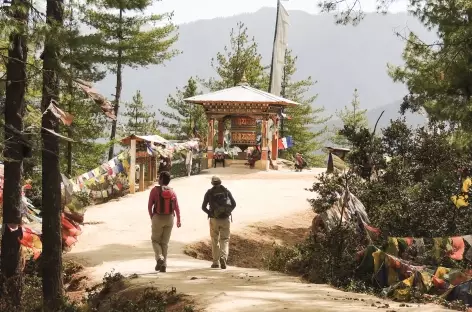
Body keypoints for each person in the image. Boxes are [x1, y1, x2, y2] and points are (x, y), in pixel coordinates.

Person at [148, 171, 181, 272]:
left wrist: (152, 217)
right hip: (170, 218)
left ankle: (159, 258)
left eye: (159, 177)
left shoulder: (155, 190)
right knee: (165, 243)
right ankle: (164, 265)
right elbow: (176, 207)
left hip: (158, 217)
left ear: (161, 179)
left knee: (155, 241)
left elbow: (150, 206)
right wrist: (178, 220)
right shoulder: (172, 191)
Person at [201, 176, 236, 269]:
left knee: (214, 240)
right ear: (220, 182)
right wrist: (228, 212)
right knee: (224, 239)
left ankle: (215, 262)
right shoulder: (226, 191)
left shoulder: (209, 192)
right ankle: (223, 257)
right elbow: (234, 204)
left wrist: (211, 213)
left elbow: (203, 207)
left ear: (212, 183)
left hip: (214, 220)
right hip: (225, 219)